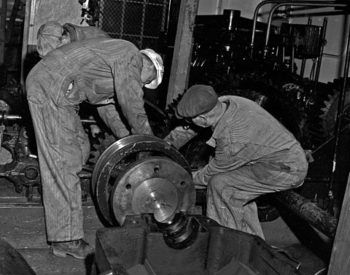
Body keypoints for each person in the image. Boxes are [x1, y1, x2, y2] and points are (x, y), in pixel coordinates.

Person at [26, 37, 164, 259]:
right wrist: (148, 139)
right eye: (147, 82)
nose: (143, 86)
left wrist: (130, 142)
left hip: (59, 92)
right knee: (64, 162)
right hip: (51, 87)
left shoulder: (110, 69)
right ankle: (66, 239)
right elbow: (131, 101)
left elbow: (109, 110)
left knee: (80, 148)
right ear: (150, 66)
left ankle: (65, 211)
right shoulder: (129, 55)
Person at [165, 85, 308, 239]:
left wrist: (180, 179)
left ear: (203, 118)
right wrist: (163, 146)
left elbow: (210, 174)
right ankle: (253, 244)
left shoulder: (231, 138)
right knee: (231, 185)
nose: (189, 123)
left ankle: (228, 244)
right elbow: (188, 129)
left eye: (190, 120)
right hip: (269, 157)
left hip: (286, 167)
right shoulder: (226, 102)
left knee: (221, 186)